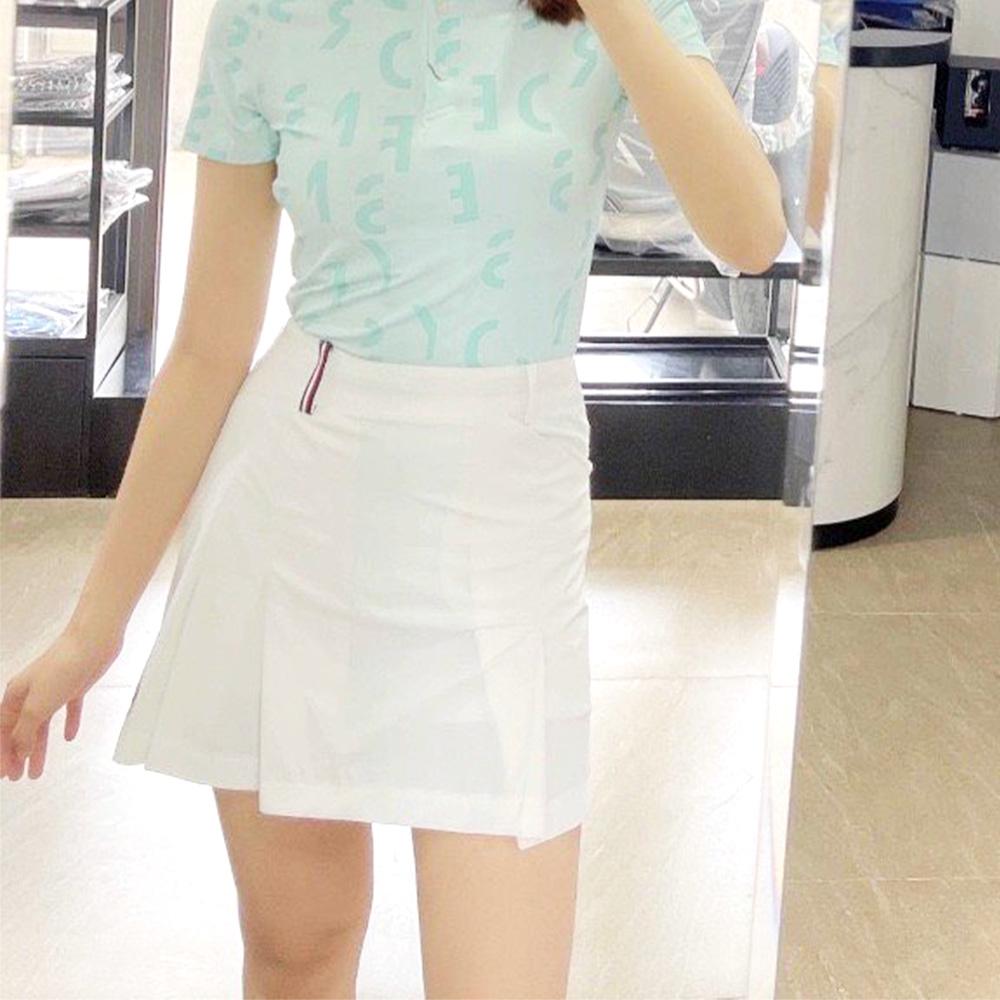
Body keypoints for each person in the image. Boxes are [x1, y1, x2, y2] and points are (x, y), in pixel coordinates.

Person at [0, 1, 785, 996]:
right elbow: (205, 350)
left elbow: (749, 232)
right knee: (299, 950)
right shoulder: (267, 14)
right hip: (297, 506)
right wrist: (93, 625)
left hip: (507, 526)